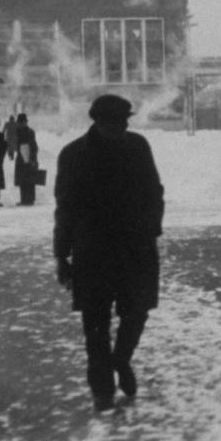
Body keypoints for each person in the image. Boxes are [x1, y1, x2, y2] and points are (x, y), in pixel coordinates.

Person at [54, 94, 165, 412]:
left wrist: (151, 228)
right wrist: (62, 256)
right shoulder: (74, 155)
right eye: (118, 122)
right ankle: (102, 390)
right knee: (96, 326)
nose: (124, 126)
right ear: (99, 121)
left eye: (126, 120)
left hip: (136, 248)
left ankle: (121, 359)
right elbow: (66, 210)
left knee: (137, 312)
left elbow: (154, 192)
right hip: (93, 253)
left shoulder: (138, 147)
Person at [12, 113, 40, 205]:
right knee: (23, 180)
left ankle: (30, 199)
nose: (20, 124)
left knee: (29, 180)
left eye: (22, 122)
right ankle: (24, 199)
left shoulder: (29, 132)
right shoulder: (18, 131)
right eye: (20, 122)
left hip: (29, 157)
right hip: (21, 157)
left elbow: (33, 146)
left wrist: (33, 159)